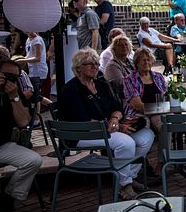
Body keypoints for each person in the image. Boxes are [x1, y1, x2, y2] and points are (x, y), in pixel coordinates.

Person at [61, 48, 154, 200]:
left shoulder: (101, 84)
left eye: (97, 63)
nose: (95, 66)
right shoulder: (71, 89)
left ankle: (130, 175)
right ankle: (124, 186)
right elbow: (82, 119)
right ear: (78, 67)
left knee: (146, 137)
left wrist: (115, 119)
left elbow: (117, 106)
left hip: (108, 128)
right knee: (126, 143)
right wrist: (115, 127)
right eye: (90, 64)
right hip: (82, 133)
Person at [0, 59, 42, 212]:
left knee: (33, 160)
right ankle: (6, 206)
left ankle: (7, 199)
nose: (11, 80)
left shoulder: (15, 93)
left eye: (15, 77)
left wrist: (14, 98)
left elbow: (23, 122)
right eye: (7, 75)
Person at [15, 31, 47, 111]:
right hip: (32, 70)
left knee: (35, 96)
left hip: (38, 71)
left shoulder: (37, 40)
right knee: (36, 95)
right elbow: (29, 55)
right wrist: (20, 58)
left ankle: (37, 118)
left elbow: (37, 58)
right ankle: (50, 107)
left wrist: (22, 61)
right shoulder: (28, 39)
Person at [103, 35, 135, 105]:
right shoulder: (112, 66)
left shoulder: (131, 62)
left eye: (126, 44)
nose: (124, 46)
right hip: (125, 101)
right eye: (120, 45)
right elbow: (123, 85)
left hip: (137, 95)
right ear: (114, 49)